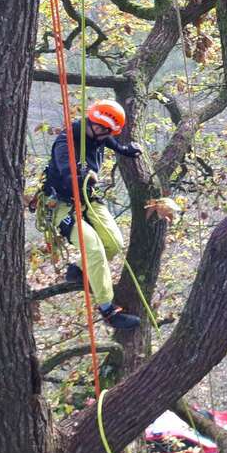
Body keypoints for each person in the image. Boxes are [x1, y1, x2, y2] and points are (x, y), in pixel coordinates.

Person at [42, 99, 143, 330]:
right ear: (95, 124)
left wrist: (125, 151)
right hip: (62, 204)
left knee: (114, 243)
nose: (105, 136)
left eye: (108, 132)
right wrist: (82, 174)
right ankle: (108, 310)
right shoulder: (65, 141)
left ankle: (78, 270)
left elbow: (109, 141)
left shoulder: (98, 134)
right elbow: (67, 173)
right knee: (94, 248)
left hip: (89, 200)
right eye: (103, 130)